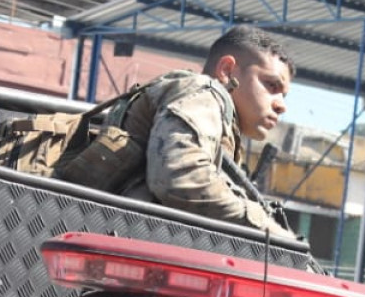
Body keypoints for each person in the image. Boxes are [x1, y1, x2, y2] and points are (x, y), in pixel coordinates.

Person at [62, 25, 294, 236]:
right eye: (271, 85)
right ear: (226, 70)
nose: (281, 104)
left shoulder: (218, 121)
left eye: (283, 95)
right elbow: (179, 178)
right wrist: (271, 231)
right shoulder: (205, 93)